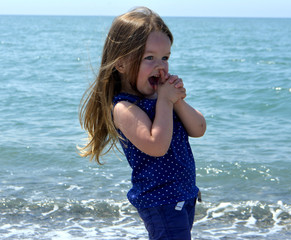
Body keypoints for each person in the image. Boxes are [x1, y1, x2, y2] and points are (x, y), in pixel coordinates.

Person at [78, 7, 206, 240]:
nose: (161, 66)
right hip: (161, 202)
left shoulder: (161, 98)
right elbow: (156, 146)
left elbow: (198, 129)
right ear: (122, 64)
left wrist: (177, 102)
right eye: (150, 57)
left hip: (183, 195)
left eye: (165, 57)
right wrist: (166, 102)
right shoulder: (124, 108)